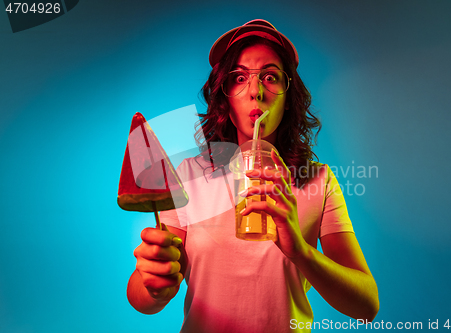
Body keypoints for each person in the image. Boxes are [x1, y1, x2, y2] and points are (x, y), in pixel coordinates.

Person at [127, 19, 379, 332]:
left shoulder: (318, 181)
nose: (256, 92)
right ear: (225, 99)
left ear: (288, 99)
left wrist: (299, 250)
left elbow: (366, 306)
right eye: (239, 78)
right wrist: (153, 283)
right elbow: (146, 300)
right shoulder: (189, 175)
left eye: (270, 77)